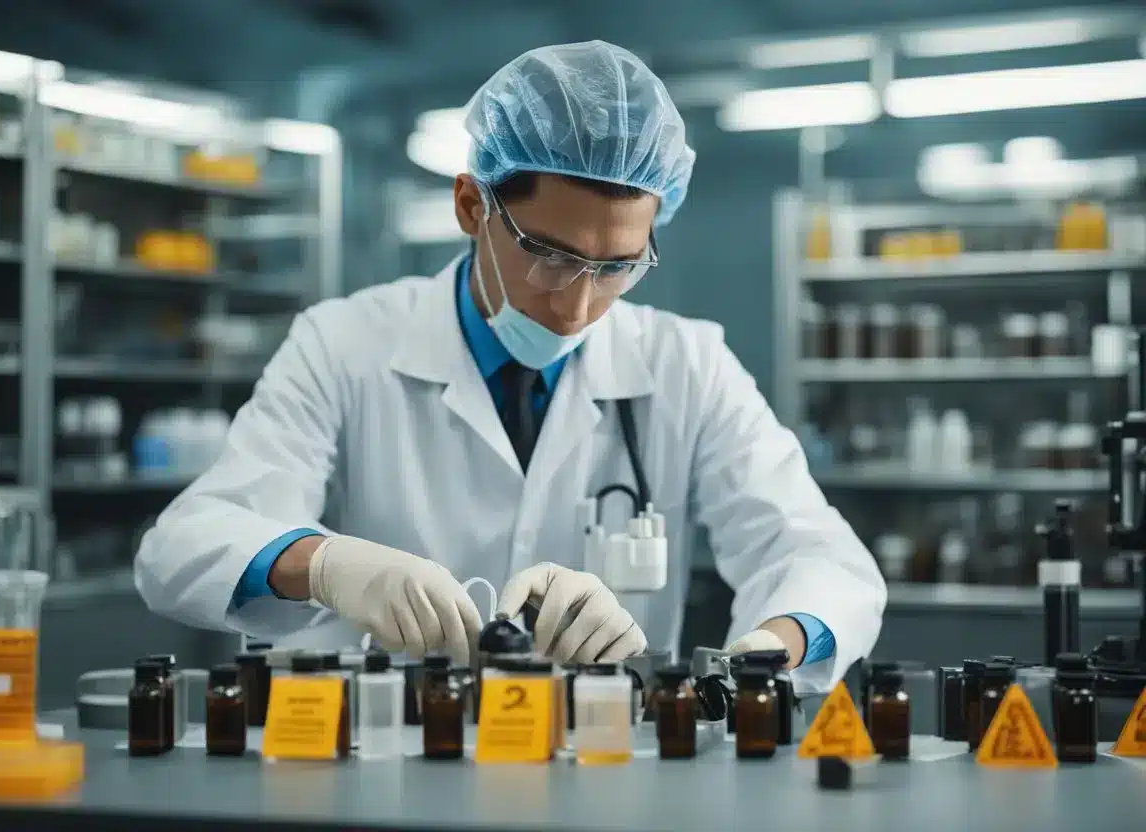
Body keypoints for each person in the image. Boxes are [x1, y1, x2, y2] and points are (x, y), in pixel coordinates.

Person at [134, 40, 885, 691]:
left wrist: (766, 650)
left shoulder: (689, 363)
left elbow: (817, 555)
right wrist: (328, 566)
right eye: (551, 257)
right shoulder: (343, 345)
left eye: (619, 266)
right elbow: (183, 547)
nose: (579, 306)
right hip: (381, 752)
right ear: (472, 207)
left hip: (597, 754)